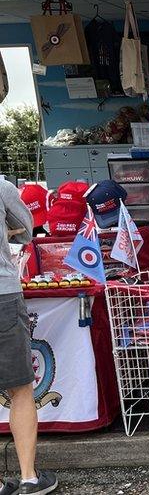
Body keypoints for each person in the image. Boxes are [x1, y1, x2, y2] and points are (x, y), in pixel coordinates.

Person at [0, 179, 58, 495]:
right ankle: (28, 478)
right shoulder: (1, 187)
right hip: (2, 295)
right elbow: (26, 228)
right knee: (20, 389)